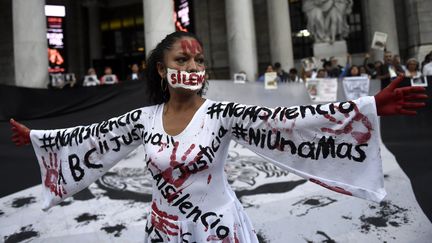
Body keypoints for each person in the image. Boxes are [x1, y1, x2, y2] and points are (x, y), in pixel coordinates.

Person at [10, 31, 428, 243]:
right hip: (164, 229)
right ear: (161, 69)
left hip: (218, 229)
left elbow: (288, 120)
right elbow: (91, 138)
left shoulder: (223, 112)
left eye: (199, 59)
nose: (194, 64)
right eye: (182, 58)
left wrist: (365, 108)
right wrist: (38, 138)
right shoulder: (142, 118)